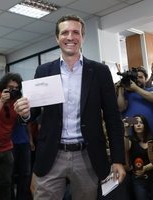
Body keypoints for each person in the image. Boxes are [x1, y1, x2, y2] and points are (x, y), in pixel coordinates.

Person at [14, 15, 126, 200]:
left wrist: (118, 159)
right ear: (57, 38)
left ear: (82, 37)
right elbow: (32, 113)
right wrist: (24, 113)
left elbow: (113, 119)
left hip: (88, 156)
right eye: (65, 32)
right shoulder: (44, 70)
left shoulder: (99, 71)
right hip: (51, 154)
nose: (70, 37)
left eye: (76, 32)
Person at [123, 114, 153, 200]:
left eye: (141, 122)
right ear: (133, 126)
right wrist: (126, 129)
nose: (138, 125)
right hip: (138, 178)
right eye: (136, 123)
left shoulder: (151, 140)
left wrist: (145, 168)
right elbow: (125, 148)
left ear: (145, 125)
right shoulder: (131, 140)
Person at [117, 67, 153, 132]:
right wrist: (120, 89)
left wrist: (136, 88)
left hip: (150, 131)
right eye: (136, 77)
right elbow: (121, 108)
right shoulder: (126, 93)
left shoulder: (150, 90)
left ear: (146, 78)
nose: (138, 79)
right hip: (133, 133)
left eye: (140, 77)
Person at [11, 121, 32, 200]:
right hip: (10, 142)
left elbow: (28, 121)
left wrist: (30, 139)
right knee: (10, 174)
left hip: (25, 142)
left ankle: (22, 198)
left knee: (25, 174)